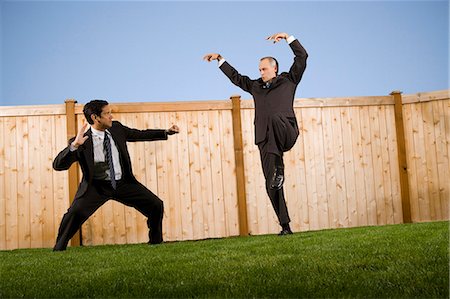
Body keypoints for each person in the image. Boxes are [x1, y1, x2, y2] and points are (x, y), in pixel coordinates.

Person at [203, 32, 308, 235]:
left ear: (274, 68)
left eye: (264, 69)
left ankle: (279, 168)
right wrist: (220, 59)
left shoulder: (289, 80)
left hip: (286, 131)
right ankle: (285, 226)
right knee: (271, 185)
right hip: (266, 140)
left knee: (275, 116)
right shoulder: (256, 87)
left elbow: (302, 57)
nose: (261, 72)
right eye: (259, 69)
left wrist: (288, 38)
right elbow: (237, 78)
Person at [52, 99, 179, 251]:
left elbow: (138, 134)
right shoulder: (81, 141)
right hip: (96, 187)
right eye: (107, 113)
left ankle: (156, 243)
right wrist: (74, 146)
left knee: (156, 205)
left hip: (123, 183)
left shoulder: (116, 129)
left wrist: (166, 132)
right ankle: (58, 249)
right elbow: (58, 165)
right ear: (95, 117)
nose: (111, 116)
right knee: (74, 213)